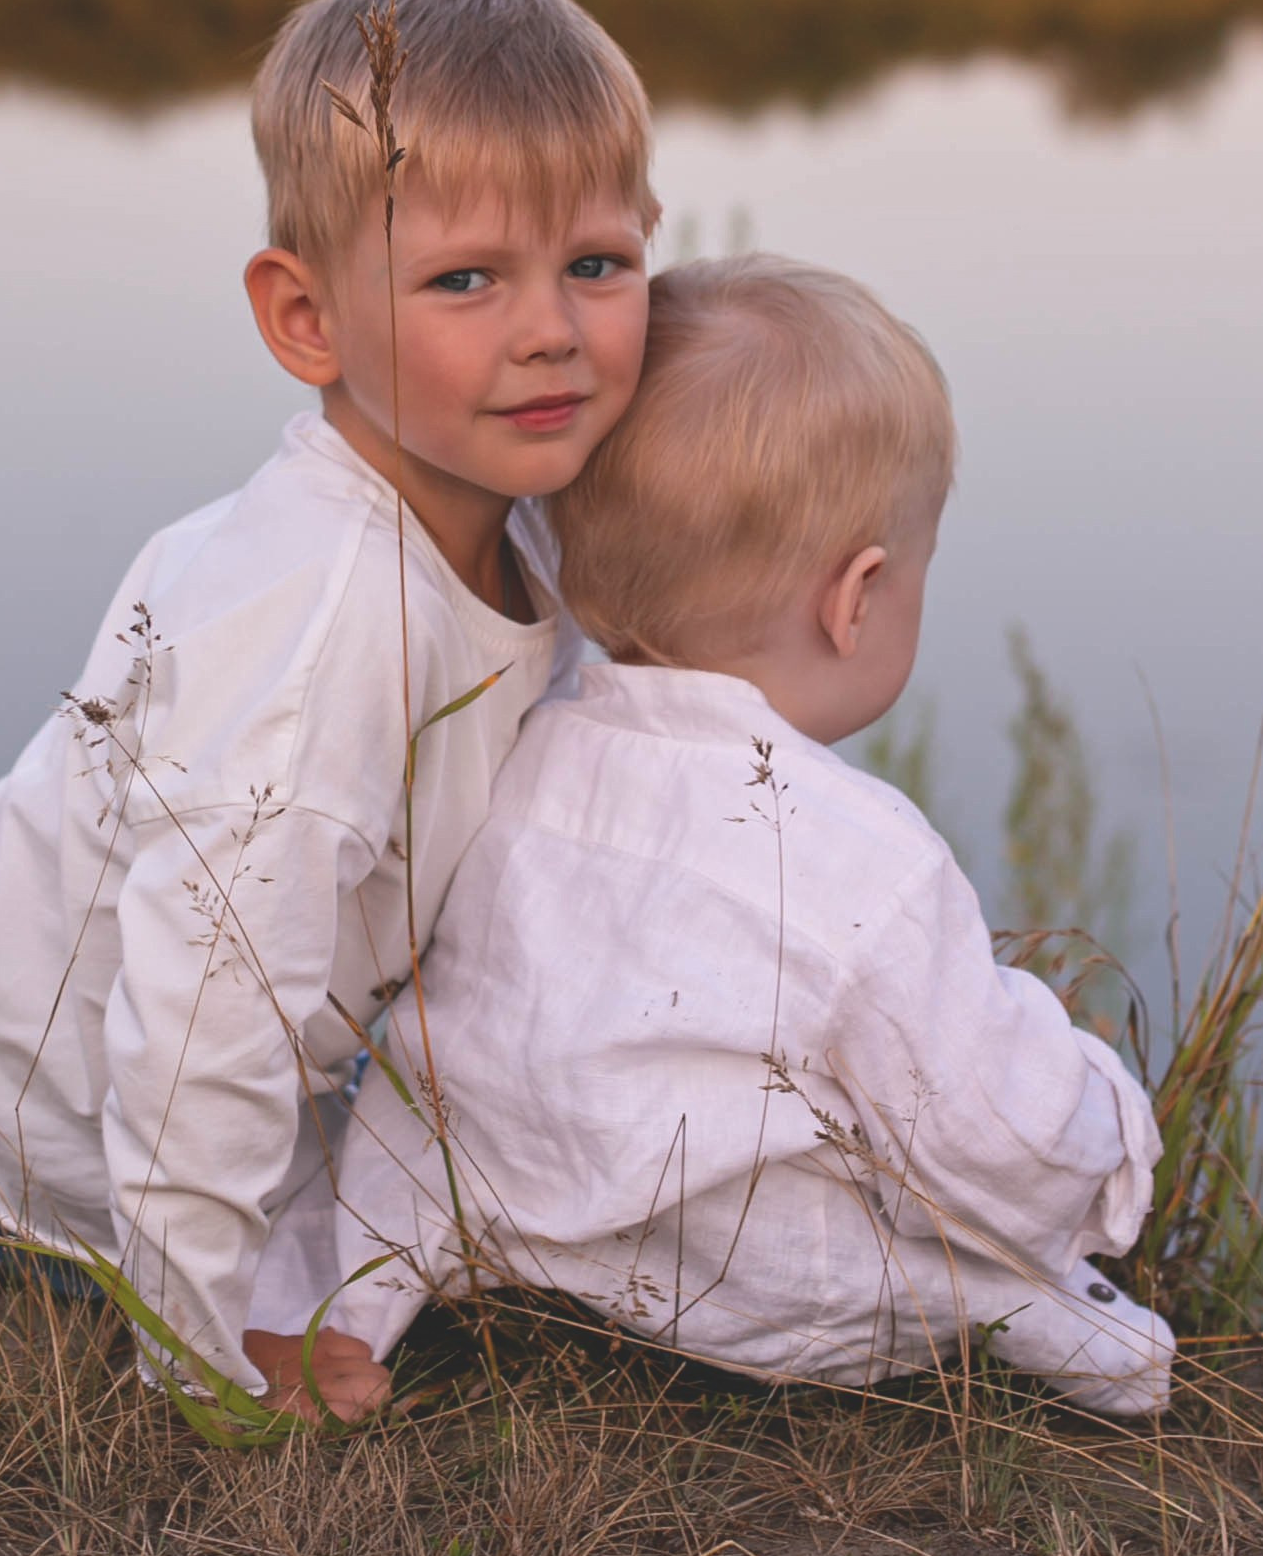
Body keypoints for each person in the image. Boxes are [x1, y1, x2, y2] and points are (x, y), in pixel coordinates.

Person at [0, 0, 657, 1424]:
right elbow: (201, 1027)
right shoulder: (314, 639)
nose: (550, 328)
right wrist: (203, 1342)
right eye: (463, 280)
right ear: (305, 322)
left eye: (597, 265)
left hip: (38, 998)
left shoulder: (515, 503)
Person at [259, 254, 1173, 1418]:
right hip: (759, 1289)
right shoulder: (857, 858)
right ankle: (1073, 1329)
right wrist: (1104, 1132)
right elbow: (988, 1137)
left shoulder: (513, 754)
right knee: (986, 1219)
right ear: (856, 596)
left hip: (502, 1202)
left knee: (406, 1125)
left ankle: (343, 1305)